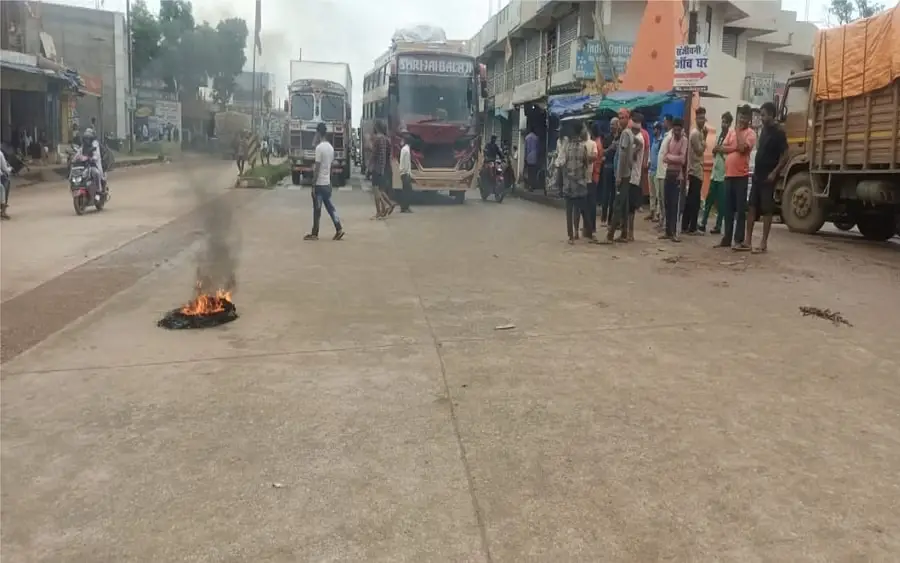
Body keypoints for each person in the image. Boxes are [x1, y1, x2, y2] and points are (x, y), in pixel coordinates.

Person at [745, 101, 787, 253]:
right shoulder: (764, 131)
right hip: (757, 174)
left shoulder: (779, 132)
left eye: (763, 115)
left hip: (769, 176)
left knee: (767, 210)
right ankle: (747, 241)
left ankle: (763, 243)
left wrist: (775, 172)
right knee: (751, 206)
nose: (761, 118)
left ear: (771, 115)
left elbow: (785, 155)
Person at [715, 105, 757, 250]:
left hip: (741, 176)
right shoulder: (731, 132)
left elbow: (742, 148)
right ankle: (726, 237)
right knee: (728, 209)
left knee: (740, 210)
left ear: (749, 119)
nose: (742, 119)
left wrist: (738, 133)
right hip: (728, 175)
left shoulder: (751, 134)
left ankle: (738, 239)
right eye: (741, 116)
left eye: (745, 117)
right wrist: (733, 147)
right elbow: (722, 148)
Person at [304, 122, 344, 241]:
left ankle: (315, 233)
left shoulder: (319, 148)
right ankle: (339, 228)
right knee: (330, 208)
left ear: (318, 133)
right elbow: (330, 167)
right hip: (327, 183)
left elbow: (317, 168)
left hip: (319, 184)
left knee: (317, 209)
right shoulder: (330, 148)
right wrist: (330, 181)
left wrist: (313, 184)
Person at [602, 115, 638, 243]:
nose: (620, 121)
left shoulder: (625, 134)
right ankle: (624, 233)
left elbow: (622, 156)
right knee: (624, 204)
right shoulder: (627, 134)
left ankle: (610, 235)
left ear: (627, 119)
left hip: (622, 174)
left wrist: (619, 175)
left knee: (617, 204)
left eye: (622, 118)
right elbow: (636, 146)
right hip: (625, 173)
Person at [555, 121, 590, 244]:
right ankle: (576, 232)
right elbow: (586, 164)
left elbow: (562, 164)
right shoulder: (583, 147)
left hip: (569, 183)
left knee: (569, 210)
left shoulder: (567, 146)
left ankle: (570, 236)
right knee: (577, 210)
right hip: (579, 184)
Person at [700, 112, 732, 234]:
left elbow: (729, 154)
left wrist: (721, 151)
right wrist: (716, 150)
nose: (723, 124)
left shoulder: (730, 136)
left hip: (723, 175)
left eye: (726, 122)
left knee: (721, 204)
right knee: (709, 200)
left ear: (729, 123)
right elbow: (714, 152)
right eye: (722, 121)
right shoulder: (719, 135)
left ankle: (718, 226)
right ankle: (703, 223)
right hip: (715, 173)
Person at [660, 117, 688, 242]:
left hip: (678, 175)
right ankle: (668, 231)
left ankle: (675, 232)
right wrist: (674, 158)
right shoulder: (669, 139)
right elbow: (664, 157)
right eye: (675, 130)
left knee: (675, 205)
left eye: (678, 130)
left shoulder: (684, 140)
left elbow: (682, 159)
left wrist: (671, 157)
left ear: (681, 130)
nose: (676, 133)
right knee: (667, 203)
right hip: (668, 173)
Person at [682, 107, 707, 235]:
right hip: (695, 170)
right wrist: (705, 140)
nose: (702, 120)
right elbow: (699, 150)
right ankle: (691, 227)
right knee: (694, 200)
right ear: (696, 118)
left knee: (692, 199)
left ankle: (686, 225)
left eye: (703, 118)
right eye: (700, 118)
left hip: (697, 170)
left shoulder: (699, 132)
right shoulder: (696, 133)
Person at [368, 119, 396, 219]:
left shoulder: (377, 139)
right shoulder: (386, 139)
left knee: (376, 191)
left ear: (376, 127)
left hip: (376, 168)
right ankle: (385, 207)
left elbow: (373, 154)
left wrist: (369, 166)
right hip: (383, 168)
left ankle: (379, 211)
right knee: (380, 190)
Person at [627, 113, 646, 241]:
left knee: (631, 208)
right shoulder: (635, 137)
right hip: (631, 176)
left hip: (634, 177)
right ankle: (628, 232)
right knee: (628, 207)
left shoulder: (639, 138)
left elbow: (633, 154)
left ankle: (630, 233)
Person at [599, 117, 620, 225]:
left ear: (618, 125)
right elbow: (603, 153)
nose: (612, 126)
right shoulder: (607, 138)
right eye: (611, 124)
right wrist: (611, 148)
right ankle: (603, 217)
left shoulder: (621, 138)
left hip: (617, 169)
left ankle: (610, 219)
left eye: (614, 124)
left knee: (614, 195)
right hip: (607, 167)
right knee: (606, 194)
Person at [582, 125, 600, 240]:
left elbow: (595, 157)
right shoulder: (592, 144)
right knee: (589, 205)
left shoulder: (589, 144)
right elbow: (594, 157)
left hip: (588, 178)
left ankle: (588, 228)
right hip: (590, 178)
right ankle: (589, 228)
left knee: (586, 205)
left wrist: (584, 158)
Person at [647, 122, 663, 223]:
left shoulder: (661, 141)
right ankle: (652, 211)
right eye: (653, 129)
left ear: (659, 130)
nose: (654, 131)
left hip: (657, 170)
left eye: (655, 129)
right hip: (651, 170)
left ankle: (657, 214)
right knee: (652, 193)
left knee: (658, 194)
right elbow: (651, 154)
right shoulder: (654, 141)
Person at [398, 136, 413, 213]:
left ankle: (403, 207)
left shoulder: (403, 149)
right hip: (406, 173)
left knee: (405, 191)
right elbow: (407, 164)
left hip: (403, 173)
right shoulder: (407, 151)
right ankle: (405, 207)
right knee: (408, 191)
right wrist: (409, 174)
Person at [0, 146, 11, 220]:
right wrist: (10, 169)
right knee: (3, 186)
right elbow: (4, 168)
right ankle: (3, 210)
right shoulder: (0, 154)